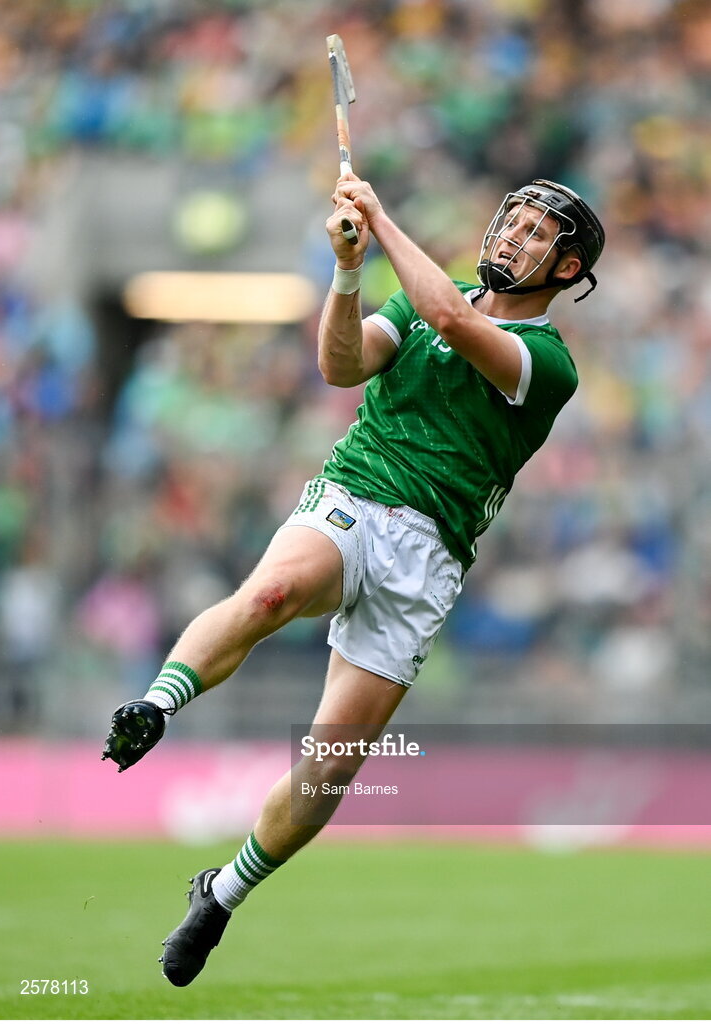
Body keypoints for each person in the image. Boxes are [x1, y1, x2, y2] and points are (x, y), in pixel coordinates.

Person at [101, 173, 604, 987]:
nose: (511, 237)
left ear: (564, 266)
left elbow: (448, 316)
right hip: (354, 494)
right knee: (270, 594)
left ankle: (221, 893)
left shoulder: (545, 361)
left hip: (429, 556)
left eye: (535, 233)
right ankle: (156, 703)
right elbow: (341, 366)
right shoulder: (411, 300)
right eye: (509, 220)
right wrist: (344, 274)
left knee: (329, 764)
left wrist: (378, 218)